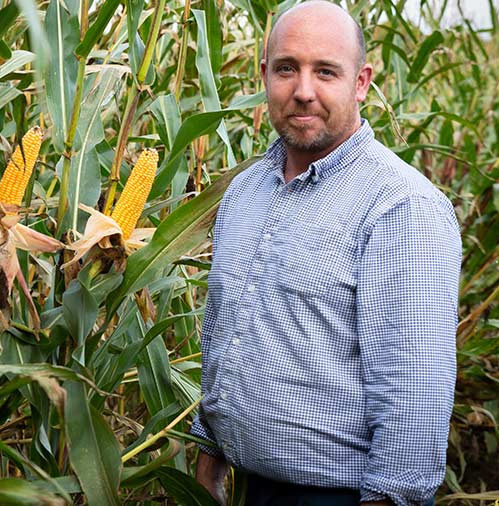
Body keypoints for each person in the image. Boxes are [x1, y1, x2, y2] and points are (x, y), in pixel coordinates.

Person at [190, 2, 461, 505]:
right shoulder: (246, 191)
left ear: (361, 82)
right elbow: (226, 331)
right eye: (287, 68)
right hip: (249, 487)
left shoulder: (401, 207)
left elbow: (414, 395)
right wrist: (209, 461)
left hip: (339, 495)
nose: (303, 91)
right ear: (264, 74)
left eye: (326, 72)